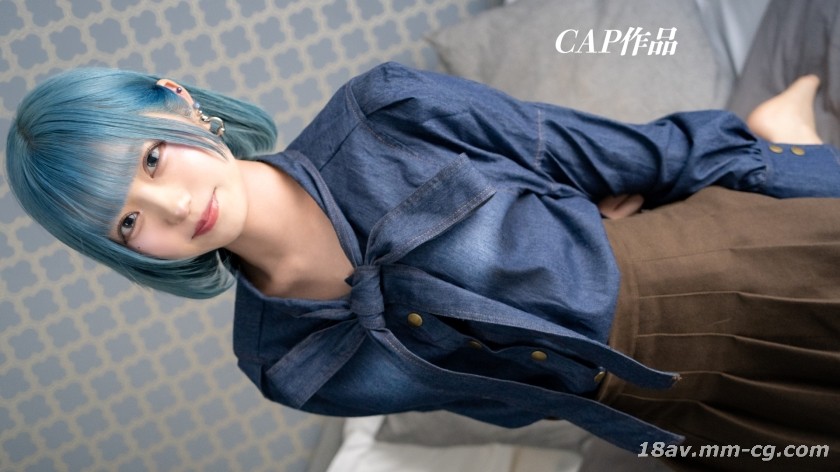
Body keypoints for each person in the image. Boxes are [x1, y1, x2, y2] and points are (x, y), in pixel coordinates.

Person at [6, 62, 840, 471]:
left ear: (180, 102)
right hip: (663, 416)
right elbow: (505, 402)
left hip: (716, 272)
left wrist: (797, 174)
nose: (173, 207)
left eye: (153, 159)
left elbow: (629, 156)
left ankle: (780, 137)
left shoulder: (387, 113)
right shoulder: (284, 364)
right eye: (128, 222)